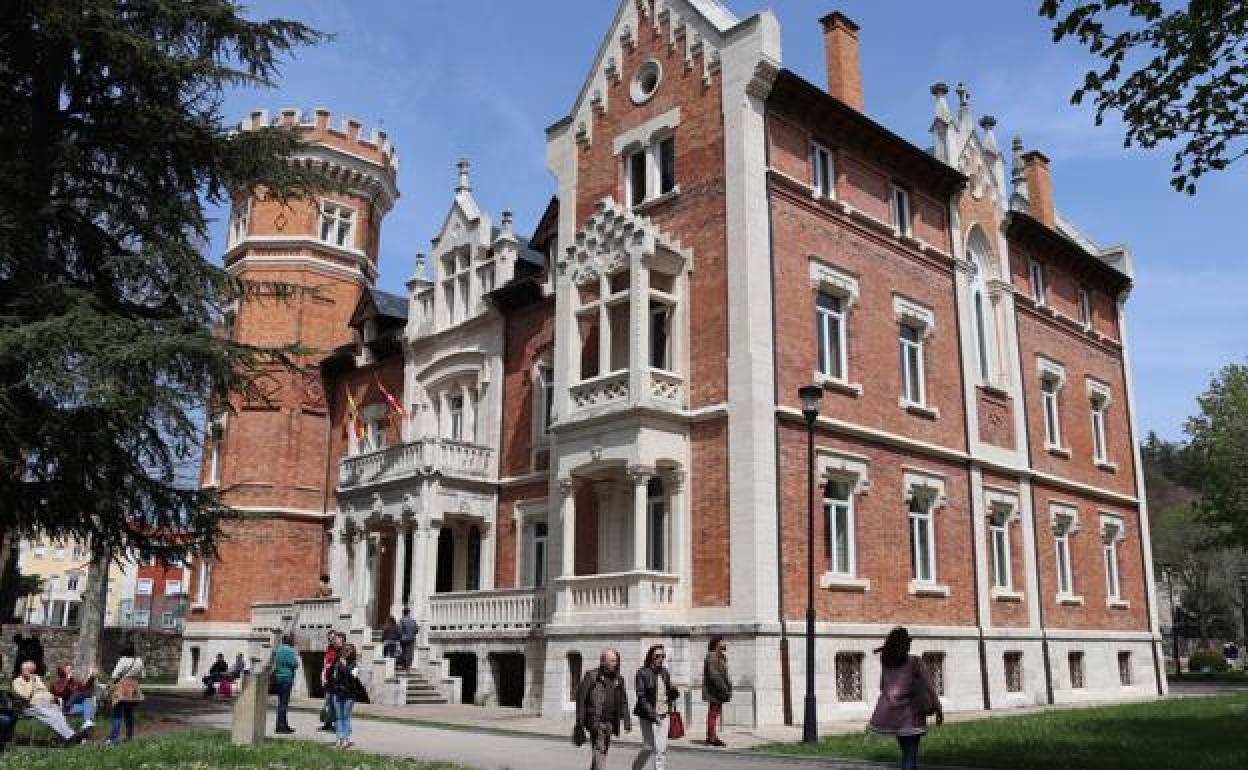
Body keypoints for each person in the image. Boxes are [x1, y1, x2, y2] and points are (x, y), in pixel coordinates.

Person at [867, 627, 944, 770]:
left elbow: (883, 686)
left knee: (908, 754)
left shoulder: (886, 663)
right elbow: (929, 687)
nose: (910, 645)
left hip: (894, 716)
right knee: (910, 756)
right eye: (908, 642)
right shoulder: (915, 662)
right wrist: (938, 708)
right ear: (903, 644)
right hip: (911, 715)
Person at [575, 648, 631, 770]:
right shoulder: (591, 676)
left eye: (616, 661)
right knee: (599, 750)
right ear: (603, 662)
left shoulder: (619, 679)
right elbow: (580, 700)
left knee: (602, 751)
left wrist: (627, 721)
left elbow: (624, 700)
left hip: (611, 722)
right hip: (596, 721)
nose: (615, 663)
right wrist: (580, 722)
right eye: (611, 661)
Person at [11, 661, 87, 745]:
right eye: (29, 671)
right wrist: (31, 682)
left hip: (47, 704)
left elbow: (44, 690)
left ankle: (67, 737)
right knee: (52, 716)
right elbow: (26, 696)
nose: (32, 674)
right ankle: (71, 737)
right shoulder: (17, 682)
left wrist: (51, 697)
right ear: (23, 670)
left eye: (33, 671)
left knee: (59, 715)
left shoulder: (37, 678)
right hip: (30, 706)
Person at [633, 644, 680, 770]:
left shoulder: (665, 672)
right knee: (649, 746)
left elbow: (671, 695)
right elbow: (641, 697)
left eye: (663, 656)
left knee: (661, 749)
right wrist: (653, 715)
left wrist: (674, 690)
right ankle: (636, 767)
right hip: (648, 715)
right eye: (657, 656)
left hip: (664, 714)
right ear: (650, 657)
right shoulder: (642, 673)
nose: (660, 659)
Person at [105, 643, 145, 745]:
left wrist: (110, 684)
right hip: (134, 689)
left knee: (117, 714)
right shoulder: (139, 660)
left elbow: (114, 675)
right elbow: (143, 675)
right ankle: (129, 736)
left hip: (122, 688)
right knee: (129, 714)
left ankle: (113, 738)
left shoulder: (123, 660)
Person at [325, 642, 361, 749]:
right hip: (337, 692)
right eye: (344, 650)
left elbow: (353, 679)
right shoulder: (337, 663)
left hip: (349, 694)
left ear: (352, 652)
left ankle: (345, 738)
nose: (346, 652)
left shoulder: (355, 665)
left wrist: (345, 667)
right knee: (338, 717)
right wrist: (332, 667)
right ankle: (339, 738)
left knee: (346, 716)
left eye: (348, 650)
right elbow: (329, 676)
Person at [50, 662, 98, 732]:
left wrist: (91, 675)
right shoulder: (56, 682)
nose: (70, 671)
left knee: (88, 700)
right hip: (63, 706)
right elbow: (59, 692)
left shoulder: (75, 682)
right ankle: (68, 709)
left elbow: (84, 689)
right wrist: (66, 681)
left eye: (71, 669)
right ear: (63, 671)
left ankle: (87, 722)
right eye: (68, 669)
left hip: (73, 707)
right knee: (77, 693)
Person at [701, 636, 731, 747]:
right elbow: (714, 675)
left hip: (718, 690)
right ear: (717, 643)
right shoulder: (712, 655)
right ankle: (711, 737)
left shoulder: (720, 656)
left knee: (714, 713)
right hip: (714, 690)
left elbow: (723, 674)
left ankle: (711, 736)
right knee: (713, 714)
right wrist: (723, 687)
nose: (725, 643)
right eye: (722, 641)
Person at [273, 633, 299, 734]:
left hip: (279, 678)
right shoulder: (289, 651)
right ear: (289, 641)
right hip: (286, 678)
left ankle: (283, 724)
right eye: (292, 639)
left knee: (281, 703)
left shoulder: (278, 650)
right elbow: (295, 664)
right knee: (283, 704)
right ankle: (281, 726)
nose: (294, 641)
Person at [319, 631, 344, 732]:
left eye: (333, 638)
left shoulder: (341, 651)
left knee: (335, 703)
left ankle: (338, 725)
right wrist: (323, 676)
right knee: (328, 702)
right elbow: (325, 663)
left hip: (337, 680)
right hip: (329, 679)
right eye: (329, 638)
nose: (331, 640)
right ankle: (328, 723)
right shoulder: (329, 648)